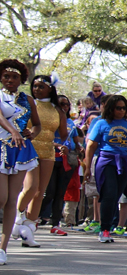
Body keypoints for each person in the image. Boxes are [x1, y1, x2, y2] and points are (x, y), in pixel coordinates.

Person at [13, 74, 68, 247]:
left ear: (50, 88)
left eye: (41, 86)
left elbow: (64, 133)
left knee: (40, 192)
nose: (36, 89)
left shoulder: (57, 109)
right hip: (28, 149)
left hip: (48, 152)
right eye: (34, 86)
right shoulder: (27, 104)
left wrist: (61, 142)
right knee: (30, 187)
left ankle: (29, 229)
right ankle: (17, 217)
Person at [83, 95, 127, 243]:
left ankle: (109, 226)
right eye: (118, 108)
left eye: (124, 108)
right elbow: (91, 146)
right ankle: (105, 230)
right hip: (106, 162)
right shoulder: (101, 123)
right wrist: (87, 168)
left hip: (123, 163)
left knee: (116, 196)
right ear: (111, 108)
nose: (122, 110)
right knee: (108, 194)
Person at [0, 59, 40, 265]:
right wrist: (13, 131)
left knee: (11, 201)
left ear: (21, 79)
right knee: (1, 197)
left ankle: (3, 248)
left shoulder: (28, 100)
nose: (10, 80)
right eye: (6, 76)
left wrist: (31, 133)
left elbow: (37, 125)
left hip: (20, 150)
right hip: (1, 147)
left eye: (14, 76)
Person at [40, 94, 83, 235]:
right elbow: (43, 138)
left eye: (66, 104)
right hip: (51, 159)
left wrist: (79, 147)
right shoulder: (49, 121)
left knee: (60, 193)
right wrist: (57, 145)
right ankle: (33, 215)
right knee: (49, 192)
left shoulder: (70, 122)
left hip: (67, 160)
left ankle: (55, 223)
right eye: (61, 104)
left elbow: (75, 140)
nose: (64, 107)